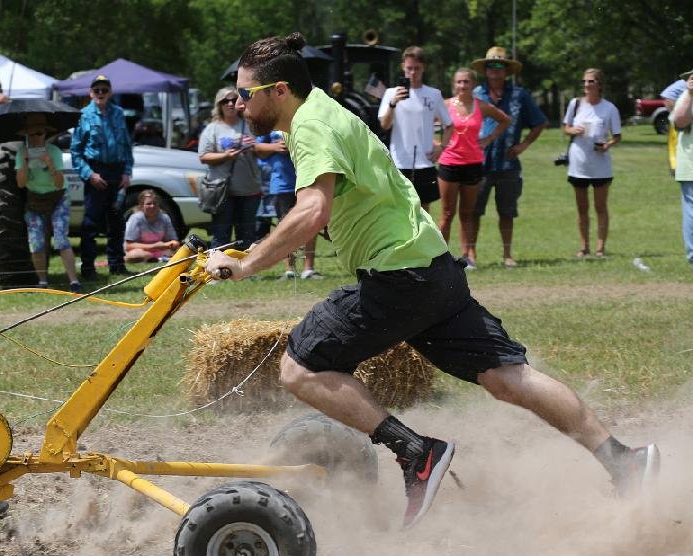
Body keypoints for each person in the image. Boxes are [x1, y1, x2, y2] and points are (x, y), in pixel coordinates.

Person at [206, 32, 658, 530]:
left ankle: (416, 453)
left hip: (399, 274)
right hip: (435, 269)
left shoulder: (311, 125)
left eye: (246, 94)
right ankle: (623, 458)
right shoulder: (319, 114)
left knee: (300, 369)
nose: (240, 104)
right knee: (508, 378)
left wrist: (248, 264)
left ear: (280, 91)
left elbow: (312, 210)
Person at [469, 47, 548, 268]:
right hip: (479, 163)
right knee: (474, 210)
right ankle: (471, 254)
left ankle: (507, 255)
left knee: (507, 211)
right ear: (485, 69)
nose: (496, 70)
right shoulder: (475, 95)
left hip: (508, 162)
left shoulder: (520, 95)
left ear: (507, 70)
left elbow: (539, 122)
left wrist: (524, 144)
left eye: (500, 66)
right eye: (491, 66)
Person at [437, 68, 510, 267]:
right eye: (459, 82)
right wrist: (437, 144)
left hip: (473, 164)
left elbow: (505, 120)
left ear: (473, 84)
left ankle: (468, 256)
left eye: (466, 82)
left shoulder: (481, 106)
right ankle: (440, 260)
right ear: (454, 84)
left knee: (467, 213)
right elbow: (427, 123)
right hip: (449, 164)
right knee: (447, 214)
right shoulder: (445, 105)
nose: (462, 86)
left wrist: (489, 138)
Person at [71, 75, 135, 280]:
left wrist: (127, 172)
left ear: (110, 92)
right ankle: (88, 268)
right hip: (95, 173)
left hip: (117, 173)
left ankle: (117, 265)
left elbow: (126, 145)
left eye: (104, 90)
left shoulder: (118, 113)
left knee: (117, 222)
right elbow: (76, 152)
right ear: (90, 93)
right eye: (96, 90)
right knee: (90, 224)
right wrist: (89, 175)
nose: (100, 93)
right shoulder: (83, 115)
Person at [378, 46, 453, 214]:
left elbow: (449, 125)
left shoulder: (433, 94)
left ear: (423, 68)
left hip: (425, 162)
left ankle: (422, 240)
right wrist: (393, 104)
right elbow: (384, 124)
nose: (412, 73)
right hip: (398, 162)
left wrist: (441, 148)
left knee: (423, 211)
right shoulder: (391, 93)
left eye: (417, 68)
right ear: (403, 67)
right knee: (399, 210)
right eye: (409, 68)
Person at [15, 114, 82, 293]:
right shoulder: (22, 152)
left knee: (61, 239)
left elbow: (59, 183)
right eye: (31, 134)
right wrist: (25, 163)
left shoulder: (54, 151)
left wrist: (49, 163)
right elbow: (20, 183)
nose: (35, 137)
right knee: (36, 242)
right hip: (35, 199)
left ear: (45, 134)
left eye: (39, 133)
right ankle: (42, 281)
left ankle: (74, 282)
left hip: (58, 197)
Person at [562, 69, 622, 259]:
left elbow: (617, 136)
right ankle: (584, 247)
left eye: (591, 81)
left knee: (600, 207)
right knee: (582, 208)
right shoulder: (575, 104)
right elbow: (566, 128)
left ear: (599, 85)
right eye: (585, 81)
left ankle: (600, 248)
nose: (587, 85)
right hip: (579, 163)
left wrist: (607, 145)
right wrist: (574, 130)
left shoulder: (609, 108)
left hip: (601, 165)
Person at [198, 87, 262, 250]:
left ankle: (245, 270)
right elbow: (204, 157)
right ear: (219, 105)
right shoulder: (212, 129)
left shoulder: (249, 124)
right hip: (222, 191)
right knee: (221, 234)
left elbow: (260, 149)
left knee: (247, 235)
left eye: (234, 100)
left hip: (249, 189)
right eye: (226, 101)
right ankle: (217, 270)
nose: (231, 104)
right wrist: (226, 156)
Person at [255, 131, 321, 279]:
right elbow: (257, 147)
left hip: (307, 180)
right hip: (281, 184)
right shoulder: (273, 122)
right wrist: (275, 147)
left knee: (312, 224)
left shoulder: (304, 120)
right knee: (285, 226)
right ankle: (290, 269)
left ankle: (308, 269)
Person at [670, 69, 693, 265]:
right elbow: (680, 121)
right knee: (692, 212)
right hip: (691, 164)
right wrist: (691, 94)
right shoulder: (686, 97)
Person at [123, 190, 180, 263]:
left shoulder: (164, 218)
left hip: (161, 251)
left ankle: (156, 259)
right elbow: (128, 246)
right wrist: (154, 246)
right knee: (136, 254)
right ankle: (157, 259)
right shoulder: (136, 218)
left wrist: (172, 244)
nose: (152, 206)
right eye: (148, 204)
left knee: (184, 251)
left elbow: (174, 240)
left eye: (155, 203)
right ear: (141, 206)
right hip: (140, 251)